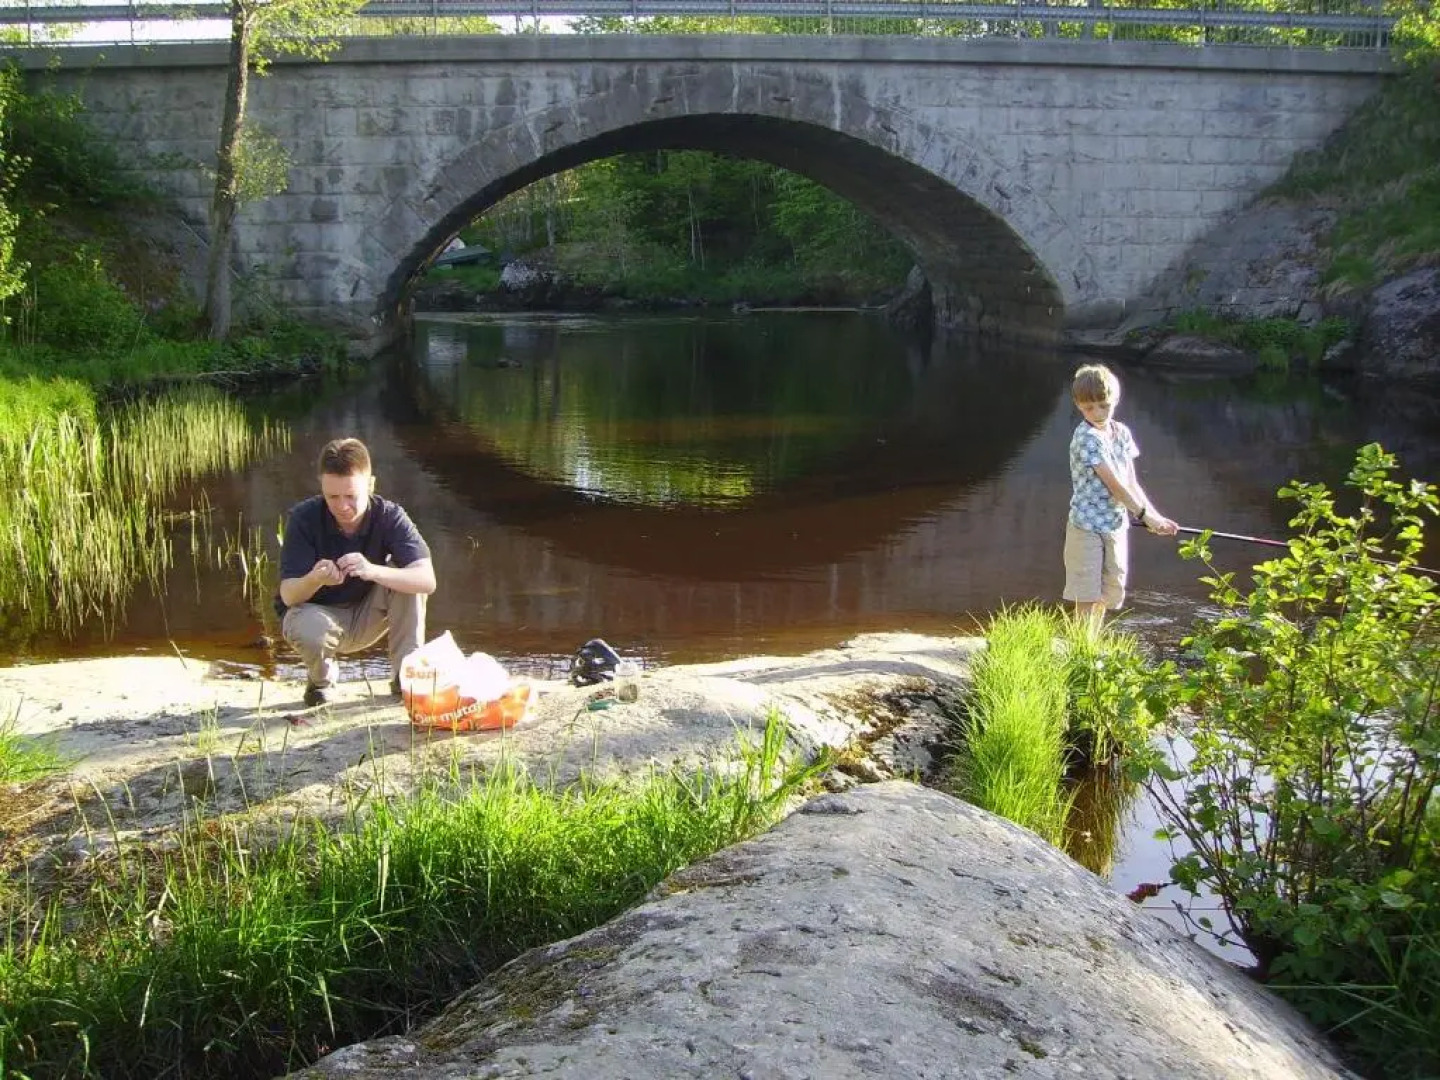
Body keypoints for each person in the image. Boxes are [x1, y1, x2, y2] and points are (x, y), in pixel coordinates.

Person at [276, 438, 437, 706]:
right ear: (322, 488)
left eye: (351, 496)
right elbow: (288, 596)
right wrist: (314, 578)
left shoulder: (390, 516)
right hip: (319, 616)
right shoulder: (304, 518)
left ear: (371, 485)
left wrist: (373, 571)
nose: (342, 506)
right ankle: (321, 680)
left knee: (406, 577)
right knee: (305, 625)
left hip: (369, 613)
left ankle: (405, 676)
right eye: (333, 497)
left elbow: (427, 580)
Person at [1063, 363, 1177, 631]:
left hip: (1114, 524)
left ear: (1114, 400)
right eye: (1089, 408)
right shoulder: (1087, 437)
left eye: (1103, 405)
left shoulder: (1121, 433)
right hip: (1086, 526)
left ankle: (1092, 640)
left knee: (1108, 590)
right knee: (1087, 592)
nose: (1098, 413)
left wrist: (1156, 516)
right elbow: (1115, 485)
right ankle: (1082, 647)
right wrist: (1145, 517)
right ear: (1079, 406)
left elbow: (1131, 483)